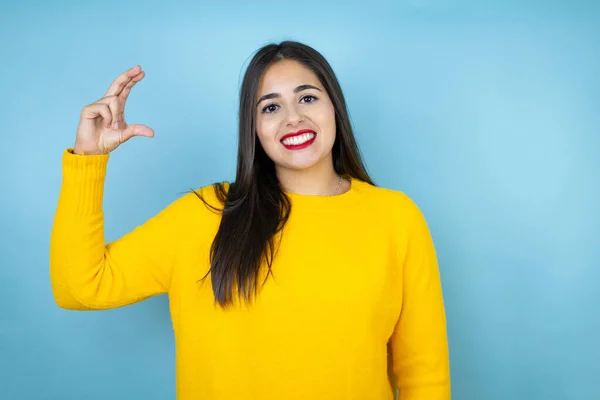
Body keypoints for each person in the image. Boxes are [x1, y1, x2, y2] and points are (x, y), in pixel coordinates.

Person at [50, 41, 450, 399]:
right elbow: (80, 286)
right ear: (254, 128)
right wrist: (88, 159)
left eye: (307, 98)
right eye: (271, 107)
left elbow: (424, 377)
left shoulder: (396, 218)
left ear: (334, 107)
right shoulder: (204, 215)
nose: (293, 118)